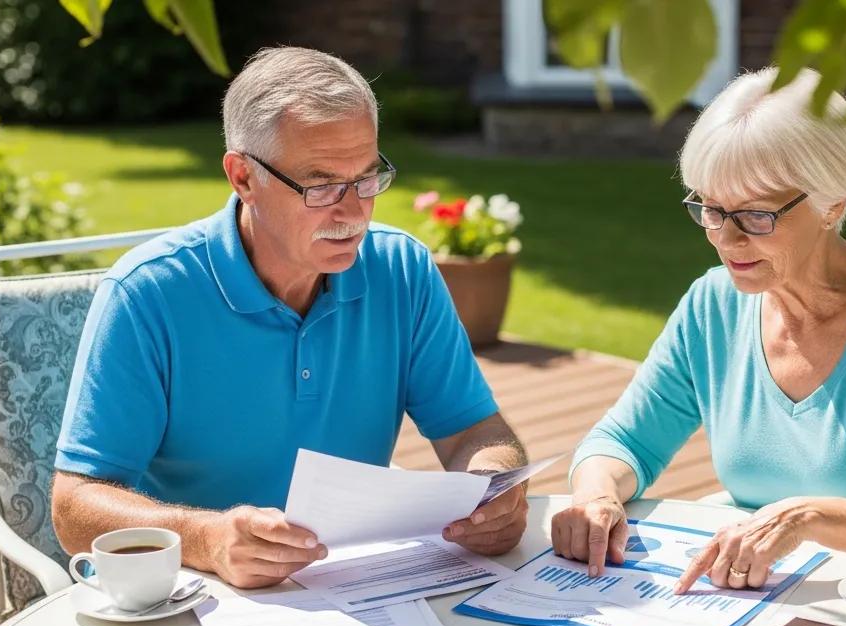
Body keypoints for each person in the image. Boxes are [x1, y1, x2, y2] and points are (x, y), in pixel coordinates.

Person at [52, 47, 529, 589]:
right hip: (201, 598)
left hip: (355, 587)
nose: (353, 213)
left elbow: (473, 429)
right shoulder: (147, 294)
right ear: (243, 177)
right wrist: (205, 538)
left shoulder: (402, 269)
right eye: (321, 184)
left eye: (367, 178)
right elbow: (75, 507)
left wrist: (492, 485)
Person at [550, 67, 846, 592]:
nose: (726, 239)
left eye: (755, 215)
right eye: (710, 208)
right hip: (766, 597)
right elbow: (623, 441)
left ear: (832, 204)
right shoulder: (713, 305)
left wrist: (807, 517)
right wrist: (596, 493)